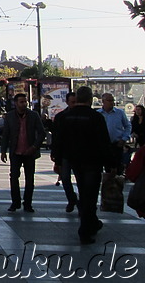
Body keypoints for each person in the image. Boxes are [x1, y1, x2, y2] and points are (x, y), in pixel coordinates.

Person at [51, 86, 111, 244]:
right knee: (90, 195)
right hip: (92, 161)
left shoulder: (65, 117)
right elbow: (103, 142)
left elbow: (58, 139)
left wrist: (57, 160)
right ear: (91, 99)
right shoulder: (95, 117)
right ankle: (86, 229)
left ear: (77, 98)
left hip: (73, 160)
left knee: (84, 191)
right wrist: (111, 163)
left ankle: (91, 223)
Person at [0, 93, 46, 213]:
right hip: (15, 152)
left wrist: (35, 146)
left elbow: (42, 133)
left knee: (29, 179)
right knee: (14, 177)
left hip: (30, 152)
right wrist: (3, 151)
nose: (24, 104)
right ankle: (15, 202)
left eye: (25, 102)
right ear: (15, 103)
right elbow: (6, 135)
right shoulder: (10, 116)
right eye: (21, 102)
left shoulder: (33, 115)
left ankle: (28, 204)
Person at [52, 91, 79, 212]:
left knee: (81, 180)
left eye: (76, 102)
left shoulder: (82, 115)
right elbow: (57, 137)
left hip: (80, 154)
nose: (74, 104)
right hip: (65, 153)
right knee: (65, 178)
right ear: (67, 102)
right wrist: (55, 155)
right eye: (72, 102)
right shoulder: (61, 117)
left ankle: (81, 204)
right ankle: (72, 199)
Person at [99, 93, 132, 174]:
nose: (111, 102)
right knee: (106, 170)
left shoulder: (119, 113)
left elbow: (128, 126)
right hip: (104, 146)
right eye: (109, 100)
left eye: (112, 100)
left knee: (117, 169)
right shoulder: (98, 114)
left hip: (117, 144)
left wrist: (124, 138)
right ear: (103, 101)